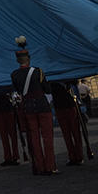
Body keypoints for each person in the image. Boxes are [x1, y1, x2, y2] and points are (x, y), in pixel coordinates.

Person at [11, 36, 57, 175]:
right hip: (42, 106)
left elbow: (19, 91)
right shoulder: (38, 72)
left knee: (34, 138)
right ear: (29, 59)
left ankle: (39, 166)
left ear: (18, 60)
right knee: (47, 137)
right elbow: (47, 89)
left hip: (28, 107)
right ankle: (50, 166)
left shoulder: (14, 75)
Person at [51, 81, 85, 166]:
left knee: (72, 134)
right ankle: (75, 156)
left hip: (64, 106)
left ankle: (76, 156)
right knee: (71, 134)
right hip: (65, 106)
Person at [0, 90, 20, 167]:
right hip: (2, 109)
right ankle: (10, 156)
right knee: (6, 135)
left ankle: (12, 156)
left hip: (3, 108)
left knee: (10, 135)